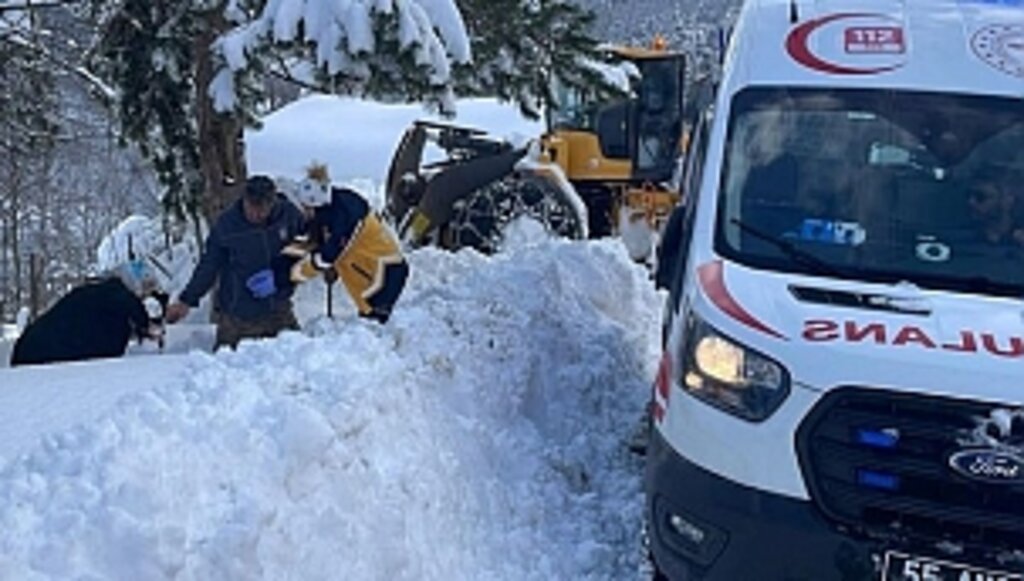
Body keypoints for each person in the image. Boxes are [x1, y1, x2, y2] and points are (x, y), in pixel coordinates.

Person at [165, 175, 306, 349]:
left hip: (278, 309)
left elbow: (307, 245)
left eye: (261, 209)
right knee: (227, 366)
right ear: (244, 200)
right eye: (251, 207)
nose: (255, 214)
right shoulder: (227, 226)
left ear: (272, 203)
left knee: (298, 357)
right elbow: (209, 265)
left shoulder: (289, 216)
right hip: (237, 315)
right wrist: (187, 300)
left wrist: (283, 275)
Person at [286, 163, 409, 324]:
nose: (304, 212)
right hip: (369, 276)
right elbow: (317, 242)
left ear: (315, 204)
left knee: (378, 329)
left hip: (384, 277)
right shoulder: (332, 206)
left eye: (306, 208)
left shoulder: (345, 216)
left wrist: (290, 276)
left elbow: (327, 256)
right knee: (368, 323)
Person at [10, 260, 164, 366]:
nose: (144, 295)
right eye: (145, 287)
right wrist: (146, 325)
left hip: (30, 349)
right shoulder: (114, 293)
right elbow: (129, 306)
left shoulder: (93, 293)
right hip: (39, 356)